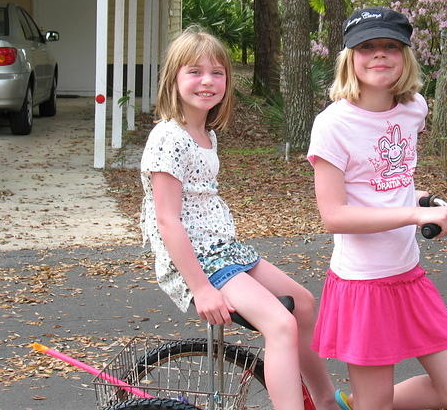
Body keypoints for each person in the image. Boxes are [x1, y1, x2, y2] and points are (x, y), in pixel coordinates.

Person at [140, 26, 336, 410]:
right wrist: (200, 288)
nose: (207, 81)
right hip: (198, 261)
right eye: (194, 71)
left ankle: (326, 401)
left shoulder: (205, 133)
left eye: (217, 72)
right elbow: (167, 221)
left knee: (305, 303)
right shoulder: (169, 137)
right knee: (280, 324)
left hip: (223, 250)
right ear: (174, 78)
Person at [307, 7, 447, 410]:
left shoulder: (414, 108)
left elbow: (393, 178)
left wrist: (420, 201)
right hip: (362, 284)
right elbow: (333, 215)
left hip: (408, 275)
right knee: (376, 404)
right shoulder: (333, 124)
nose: (379, 55)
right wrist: (414, 215)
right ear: (350, 58)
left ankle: (354, 407)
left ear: (406, 57)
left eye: (390, 46)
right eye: (367, 47)